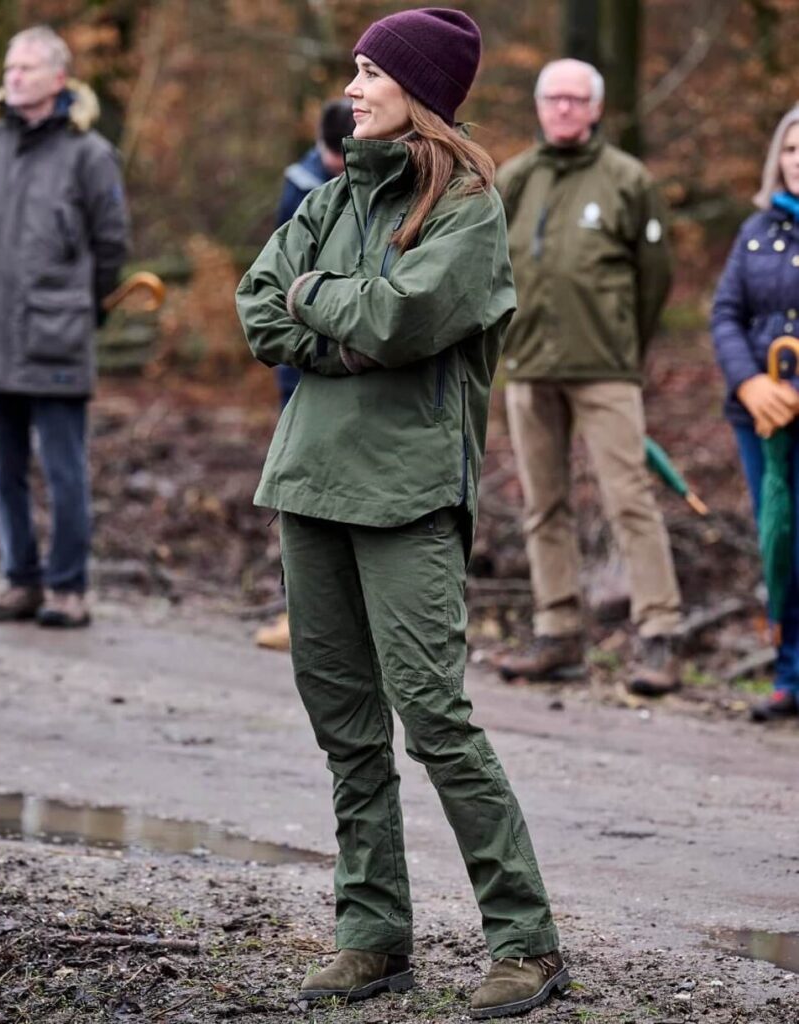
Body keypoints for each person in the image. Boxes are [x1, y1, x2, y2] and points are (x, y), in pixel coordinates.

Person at [237, 9, 567, 1019]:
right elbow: (258, 310)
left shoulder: (467, 209)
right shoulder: (334, 193)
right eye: (356, 67)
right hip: (309, 484)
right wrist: (340, 319)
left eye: (371, 70)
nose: (354, 84)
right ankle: (373, 935)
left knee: (433, 719)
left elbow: (406, 315)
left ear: (417, 90)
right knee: (344, 726)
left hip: (408, 492)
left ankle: (525, 941)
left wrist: (322, 306)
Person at [495, 58, 683, 696]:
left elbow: (655, 278)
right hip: (529, 366)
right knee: (542, 505)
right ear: (541, 106)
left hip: (605, 369)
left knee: (628, 498)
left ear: (597, 108)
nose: (566, 109)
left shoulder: (627, 180)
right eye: (555, 99)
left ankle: (659, 634)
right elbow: (491, 268)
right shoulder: (515, 178)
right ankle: (558, 631)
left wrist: (626, 344)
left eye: (578, 99)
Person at [0, 25, 128, 628]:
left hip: (57, 336)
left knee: (65, 470)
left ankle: (69, 588)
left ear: (59, 79)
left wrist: (82, 309)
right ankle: (20, 580)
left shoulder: (89, 153)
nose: (13, 75)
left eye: (27, 67)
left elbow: (111, 243)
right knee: (3, 470)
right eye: (10, 66)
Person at [255, 98, 354, 654]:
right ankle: (300, 608)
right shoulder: (300, 187)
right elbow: (279, 279)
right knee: (299, 493)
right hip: (303, 363)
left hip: (355, 359)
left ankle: (336, 614)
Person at [711, 105, 799, 722]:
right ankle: (789, 675)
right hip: (760, 419)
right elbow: (725, 315)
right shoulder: (756, 230)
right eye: (791, 149)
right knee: (780, 539)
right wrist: (748, 385)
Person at [273, 98, 355, 410]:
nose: (336, 162)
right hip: (302, 307)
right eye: (331, 154)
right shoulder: (300, 183)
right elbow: (283, 251)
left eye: (341, 155)